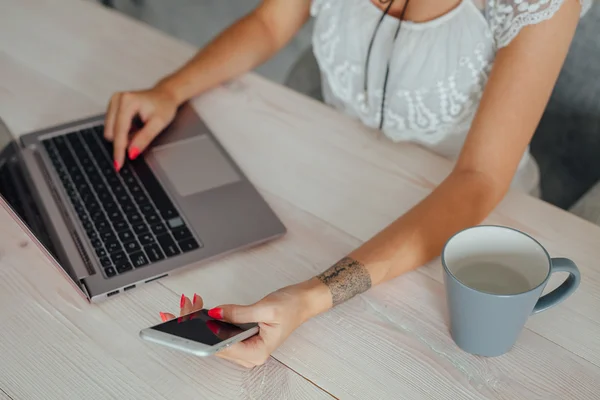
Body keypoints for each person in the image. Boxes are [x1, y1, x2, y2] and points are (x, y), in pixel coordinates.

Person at [104, 0, 592, 368]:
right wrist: (171, 89)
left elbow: (479, 178)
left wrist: (311, 296)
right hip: (328, 180)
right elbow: (272, 22)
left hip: (456, 230)